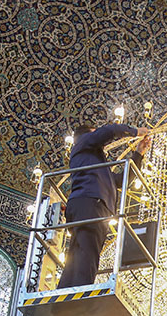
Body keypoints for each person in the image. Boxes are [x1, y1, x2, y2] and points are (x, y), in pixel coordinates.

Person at [57, 122, 150, 289]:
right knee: (88, 253)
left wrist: (138, 154)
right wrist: (135, 132)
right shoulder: (83, 143)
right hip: (91, 203)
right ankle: (80, 299)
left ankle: (64, 294)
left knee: (78, 254)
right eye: (95, 133)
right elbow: (109, 131)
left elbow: (122, 181)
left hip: (87, 204)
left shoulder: (98, 168)